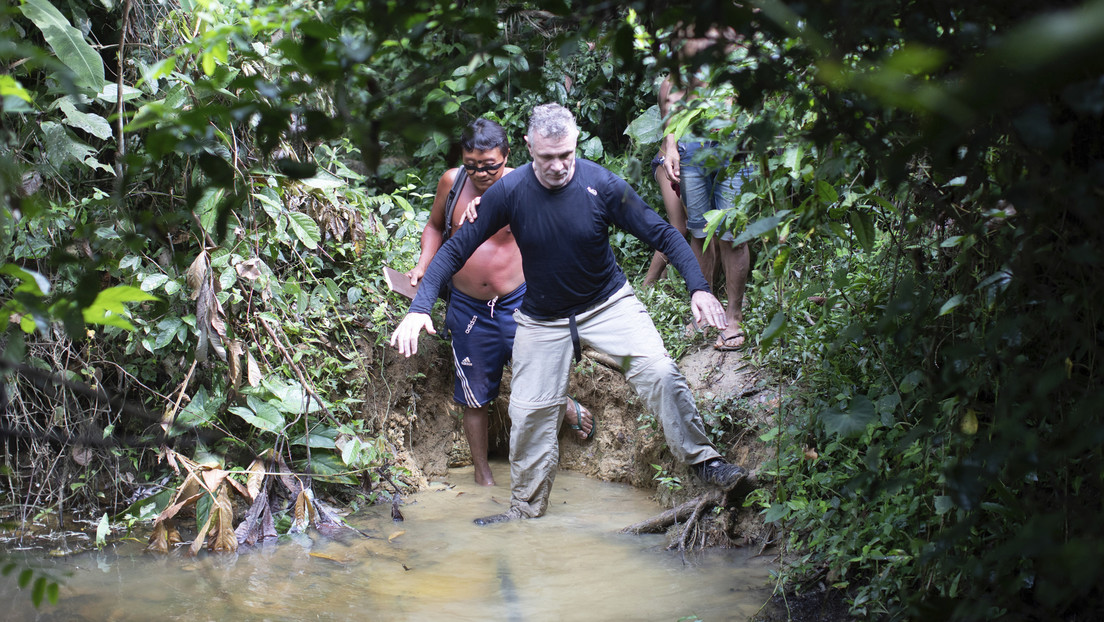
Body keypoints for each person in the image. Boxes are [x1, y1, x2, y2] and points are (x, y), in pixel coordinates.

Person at [391, 104, 747, 525]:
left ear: (575, 146)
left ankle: (705, 462)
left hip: (608, 307)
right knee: (527, 415)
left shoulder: (602, 184)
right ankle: (523, 512)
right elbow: (454, 248)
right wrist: (418, 309)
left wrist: (700, 288)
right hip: (542, 320)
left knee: (659, 372)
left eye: (566, 155)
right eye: (547, 158)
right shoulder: (510, 192)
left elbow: (664, 233)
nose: (559, 166)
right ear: (528, 148)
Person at [406, 118, 593, 487]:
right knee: (474, 396)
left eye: (490, 166)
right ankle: (483, 475)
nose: (480, 173)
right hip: (468, 306)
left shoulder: (526, 183)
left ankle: (565, 405)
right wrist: (423, 262)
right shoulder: (452, 182)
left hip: (519, 300)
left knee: (538, 375)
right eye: (472, 165)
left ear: (507, 156)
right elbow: (433, 226)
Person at [661, 26, 754, 350]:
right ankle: (705, 308)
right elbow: (672, 90)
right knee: (700, 233)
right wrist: (670, 146)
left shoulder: (733, 25)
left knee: (732, 235)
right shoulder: (685, 26)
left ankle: (733, 316)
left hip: (734, 150)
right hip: (692, 149)